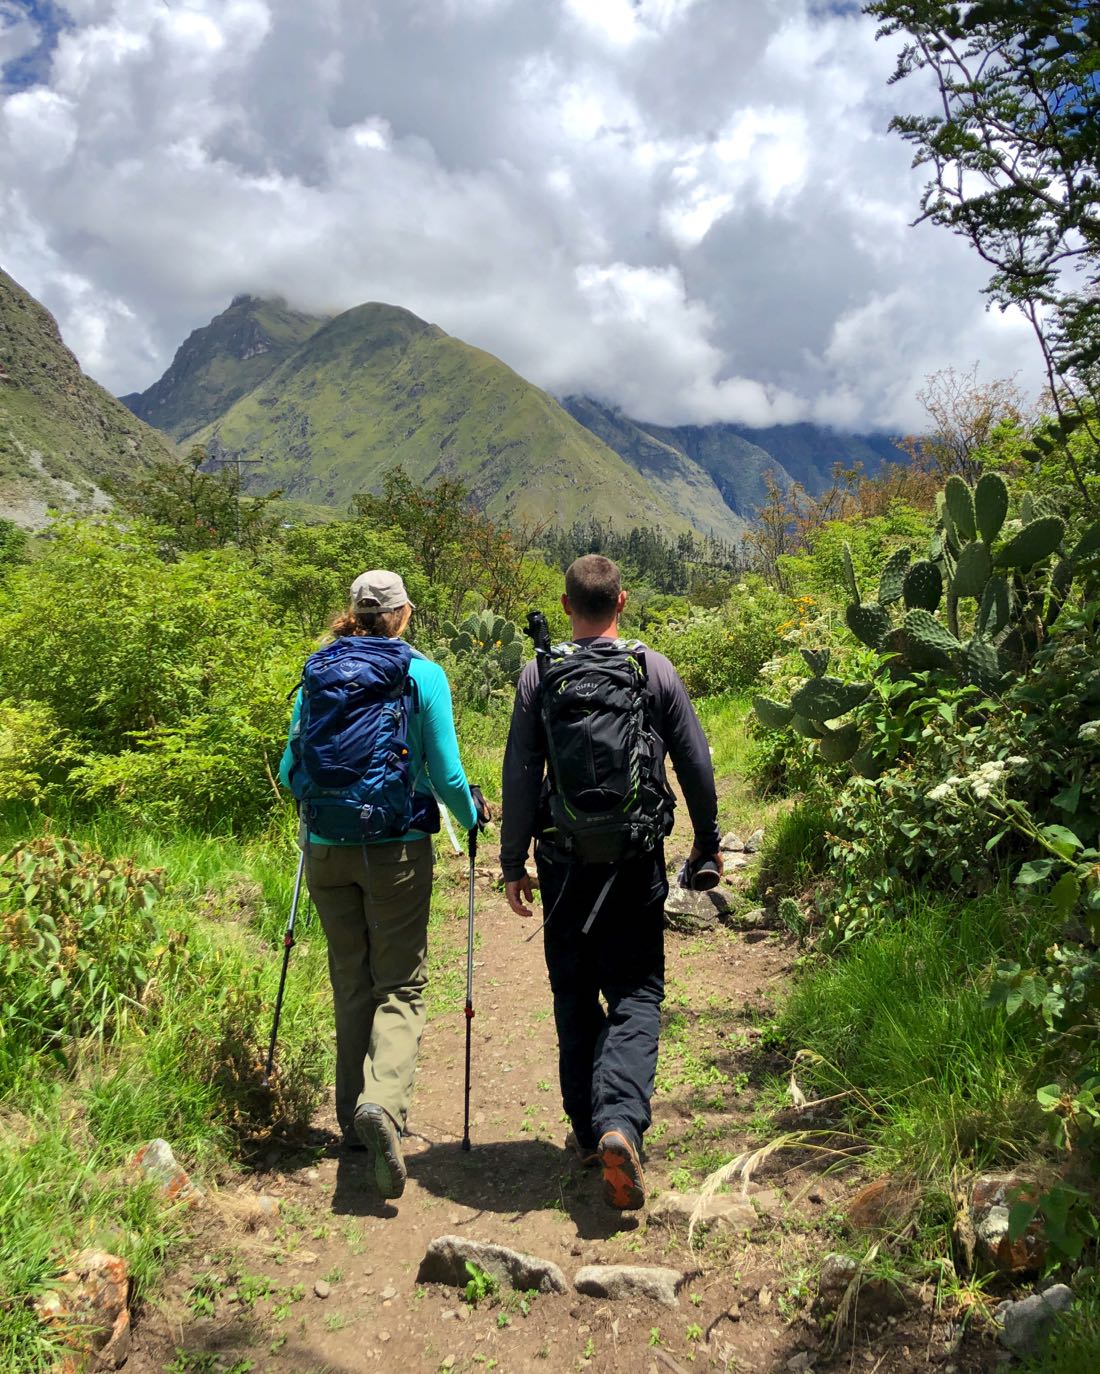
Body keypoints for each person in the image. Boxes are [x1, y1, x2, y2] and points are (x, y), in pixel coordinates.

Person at [501, 554, 721, 1210]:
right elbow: (696, 762)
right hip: (633, 864)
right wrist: (706, 842)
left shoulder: (538, 676)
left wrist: (515, 864)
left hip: (564, 864)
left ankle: (586, 1130)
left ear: (567, 607)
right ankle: (619, 1120)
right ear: (621, 602)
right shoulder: (652, 668)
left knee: (573, 993)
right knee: (636, 992)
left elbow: (519, 774)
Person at [280, 569, 489, 1200]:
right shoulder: (420, 674)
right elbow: (448, 775)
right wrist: (474, 814)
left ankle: (352, 1124)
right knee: (400, 983)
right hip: (395, 850)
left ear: (353, 613)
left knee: (351, 981)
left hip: (325, 851)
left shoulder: (318, 673)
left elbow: (293, 771)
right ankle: (384, 1107)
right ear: (402, 615)